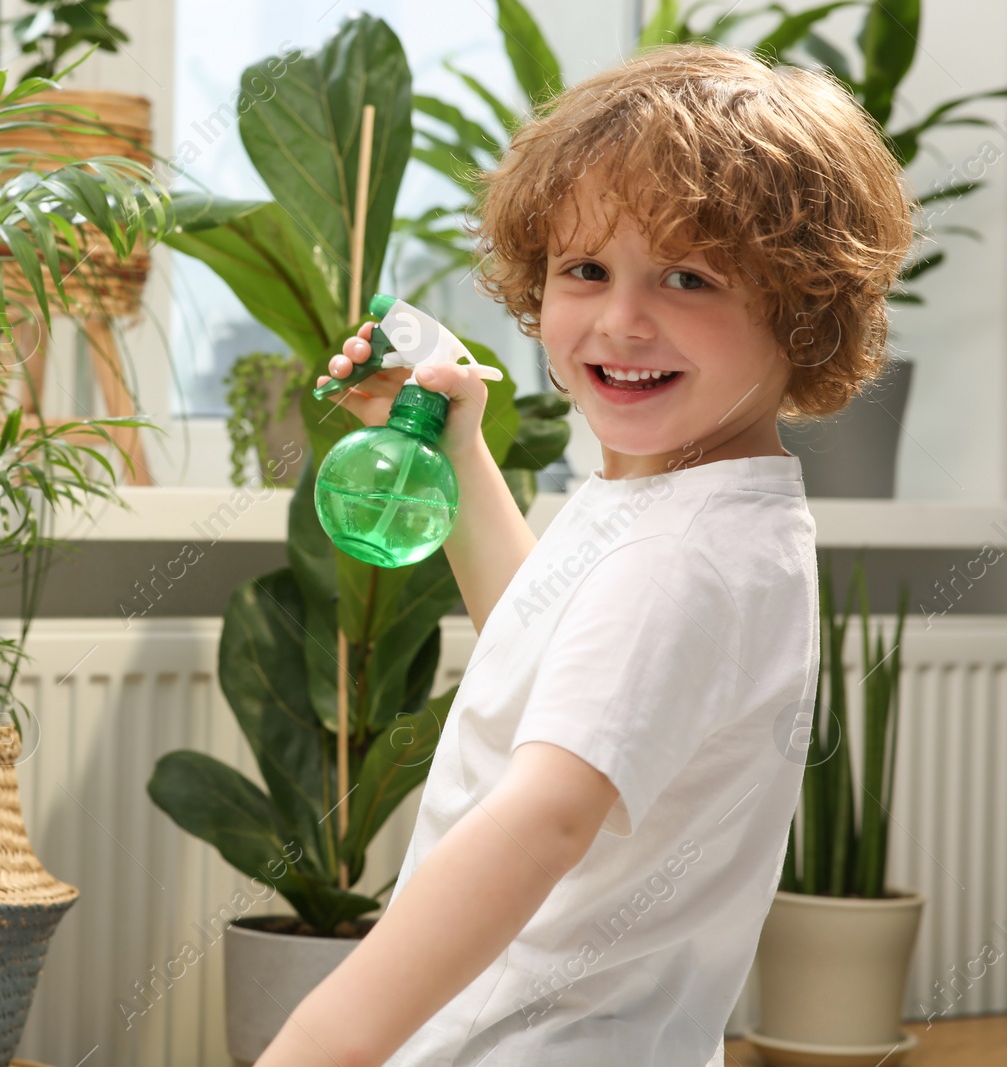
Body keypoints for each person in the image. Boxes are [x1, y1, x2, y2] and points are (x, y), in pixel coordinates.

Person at [255, 42, 914, 1067]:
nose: (621, 319)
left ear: (802, 308)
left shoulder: (686, 554)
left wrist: (311, 1047)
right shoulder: (678, 504)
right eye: (586, 269)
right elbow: (558, 653)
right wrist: (464, 449)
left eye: (688, 277)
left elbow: (541, 823)